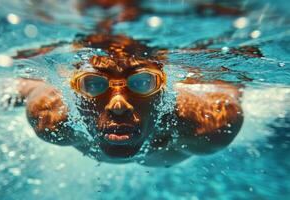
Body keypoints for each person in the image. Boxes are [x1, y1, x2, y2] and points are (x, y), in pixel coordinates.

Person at [15, 33, 244, 167]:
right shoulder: (49, 116)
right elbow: (26, 86)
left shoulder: (210, 123)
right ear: (72, 90)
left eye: (143, 82)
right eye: (93, 84)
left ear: (165, 88)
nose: (118, 105)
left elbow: (234, 86)